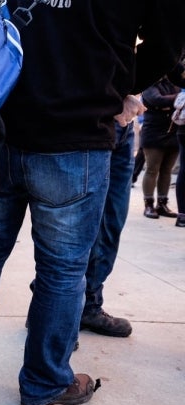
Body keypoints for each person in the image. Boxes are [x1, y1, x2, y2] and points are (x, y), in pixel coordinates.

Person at [0, 0, 185, 405]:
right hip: (76, 130)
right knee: (63, 268)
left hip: (2, 123)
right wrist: (113, 81)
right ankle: (44, 382)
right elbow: (167, 42)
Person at [80, 95, 145, 339]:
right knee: (77, 224)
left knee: (111, 220)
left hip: (124, 121)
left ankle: (88, 303)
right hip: (93, 115)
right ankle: (55, 310)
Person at [140, 76, 180, 219]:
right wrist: (178, 98)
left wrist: (170, 101)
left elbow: (165, 101)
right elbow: (156, 100)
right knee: (152, 170)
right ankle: (148, 204)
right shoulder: (149, 82)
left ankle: (162, 204)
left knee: (166, 171)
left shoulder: (173, 81)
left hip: (173, 132)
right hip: (154, 133)